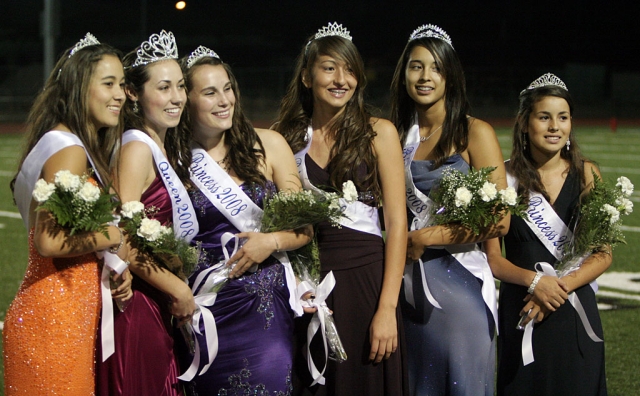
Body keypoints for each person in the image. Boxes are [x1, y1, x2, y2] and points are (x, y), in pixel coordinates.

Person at [274, 22, 408, 396]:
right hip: (309, 286)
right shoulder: (286, 138)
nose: (341, 79)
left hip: (367, 280)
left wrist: (386, 308)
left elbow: (397, 224)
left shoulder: (379, 132)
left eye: (350, 70)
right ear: (305, 76)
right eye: (329, 67)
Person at [177, 45, 312, 395]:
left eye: (227, 88)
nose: (224, 100)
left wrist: (271, 241)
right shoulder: (172, 161)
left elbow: (305, 228)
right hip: (204, 306)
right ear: (186, 99)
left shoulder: (268, 144)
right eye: (209, 92)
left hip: (262, 302)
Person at [4, 33, 132, 395]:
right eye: (108, 84)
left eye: (122, 84)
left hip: (69, 312)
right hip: (52, 316)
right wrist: (114, 235)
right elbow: (48, 241)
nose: (120, 94)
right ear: (79, 87)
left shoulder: (78, 145)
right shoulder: (69, 149)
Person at [389, 24, 509, 396]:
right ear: (404, 74)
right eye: (416, 66)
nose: (425, 77)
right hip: (405, 287)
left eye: (436, 68)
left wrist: (429, 236)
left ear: (451, 76)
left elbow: (500, 219)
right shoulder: (393, 134)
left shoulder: (475, 133)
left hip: (460, 285)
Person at [485, 73, 609, 395]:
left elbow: (603, 253)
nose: (555, 126)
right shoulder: (504, 176)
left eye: (563, 117)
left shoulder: (587, 174)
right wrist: (536, 282)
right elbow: (494, 260)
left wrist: (557, 287)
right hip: (523, 309)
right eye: (544, 117)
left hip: (574, 309)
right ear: (525, 124)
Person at [96, 30, 197, 396]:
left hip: (157, 299)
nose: (177, 98)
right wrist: (177, 287)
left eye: (181, 86)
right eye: (165, 87)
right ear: (134, 94)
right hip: (138, 303)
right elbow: (120, 237)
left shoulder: (162, 147)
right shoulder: (137, 148)